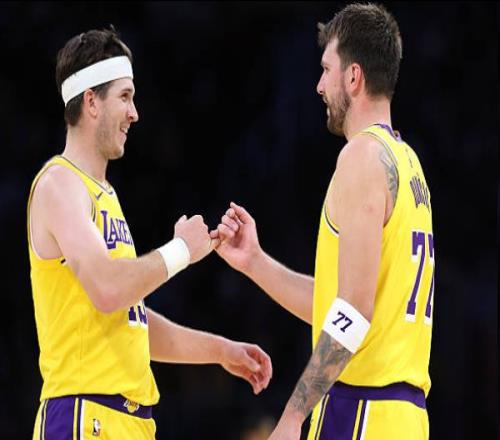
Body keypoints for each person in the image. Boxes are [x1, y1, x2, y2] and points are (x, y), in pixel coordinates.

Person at [28, 26, 272, 439]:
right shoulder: (59, 184)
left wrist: (219, 350)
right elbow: (108, 290)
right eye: (125, 96)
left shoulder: (104, 195)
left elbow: (131, 320)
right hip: (86, 416)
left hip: (129, 420)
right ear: (91, 102)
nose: (134, 113)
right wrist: (180, 250)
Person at [213, 3, 434, 439]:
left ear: (353, 77)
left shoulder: (361, 157)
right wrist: (256, 262)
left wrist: (293, 415)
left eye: (326, 70)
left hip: (362, 409)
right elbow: (342, 300)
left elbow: (353, 310)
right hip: (403, 416)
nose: (318, 85)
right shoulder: (408, 164)